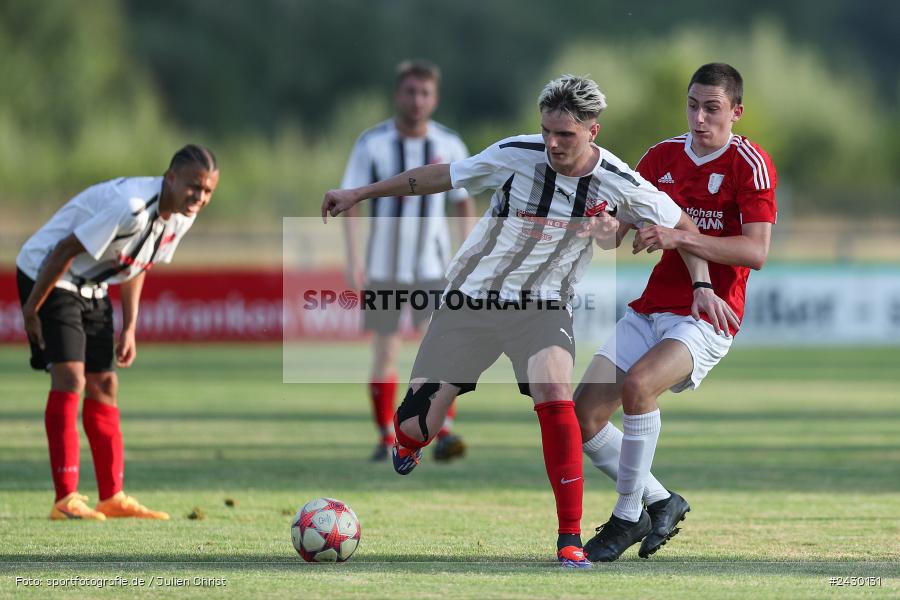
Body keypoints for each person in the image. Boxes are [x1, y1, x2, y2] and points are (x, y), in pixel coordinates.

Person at [323, 75, 735, 568]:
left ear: (593, 132)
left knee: (555, 391)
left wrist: (702, 286)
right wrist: (360, 193)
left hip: (542, 306)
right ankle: (411, 442)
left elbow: (681, 228)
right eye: (547, 132)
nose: (553, 144)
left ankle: (569, 539)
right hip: (470, 301)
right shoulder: (516, 153)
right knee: (414, 425)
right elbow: (440, 176)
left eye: (566, 135)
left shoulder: (618, 181)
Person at [574, 63, 777, 562]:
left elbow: (756, 252)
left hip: (708, 313)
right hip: (652, 307)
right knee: (585, 413)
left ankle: (626, 517)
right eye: (693, 105)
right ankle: (661, 501)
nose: (700, 118)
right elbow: (619, 225)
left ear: (736, 111)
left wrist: (679, 235)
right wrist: (603, 228)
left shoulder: (749, 164)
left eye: (712, 108)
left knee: (639, 387)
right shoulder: (662, 156)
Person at [17, 145, 220, 521]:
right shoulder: (131, 206)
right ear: (171, 178)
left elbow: (138, 264)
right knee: (71, 377)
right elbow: (62, 250)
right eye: (194, 187)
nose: (200, 197)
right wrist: (31, 308)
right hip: (48, 274)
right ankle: (66, 499)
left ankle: (112, 497)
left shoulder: (180, 216)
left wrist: (130, 326)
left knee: (105, 384)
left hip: (92, 284)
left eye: (208, 191)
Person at [341, 59, 476, 463]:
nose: (417, 100)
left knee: (442, 347)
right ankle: (386, 437)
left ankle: (441, 430)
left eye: (424, 93)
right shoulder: (372, 144)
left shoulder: (449, 144)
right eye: (410, 92)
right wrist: (352, 258)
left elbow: (463, 203)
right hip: (384, 267)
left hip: (433, 266)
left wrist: (465, 254)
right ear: (397, 95)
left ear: (434, 98)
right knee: (386, 350)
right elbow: (351, 201)